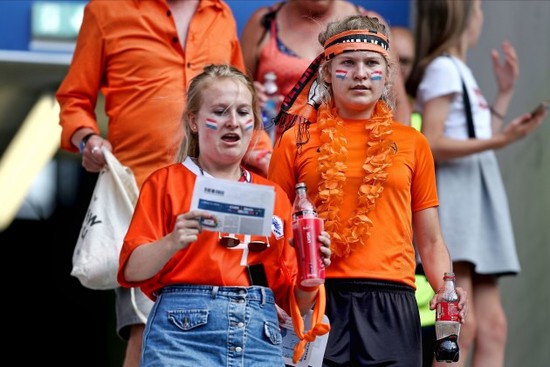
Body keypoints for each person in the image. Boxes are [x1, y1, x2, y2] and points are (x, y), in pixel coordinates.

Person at [56, 1, 272, 366]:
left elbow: (239, 96)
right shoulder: (106, 10)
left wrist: (264, 153)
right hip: (142, 200)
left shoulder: (219, 13)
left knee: (227, 318)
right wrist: (87, 139)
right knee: (145, 330)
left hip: (220, 196)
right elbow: (74, 99)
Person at [267, 14, 467, 366]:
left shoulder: (412, 143)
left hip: (392, 300)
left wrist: (445, 287)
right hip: (317, 296)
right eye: (348, 62)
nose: (360, 73)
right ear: (327, 72)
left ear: (388, 74)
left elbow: (431, 240)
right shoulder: (294, 141)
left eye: (372, 63)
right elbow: (274, 229)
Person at [117, 64, 331, 366]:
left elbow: (292, 300)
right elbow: (130, 272)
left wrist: (313, 273)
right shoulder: (164, 182)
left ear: (254, 123)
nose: (233, 122)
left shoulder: (273, 195)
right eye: (219, 111)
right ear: (194, 121)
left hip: (259, 335)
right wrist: (173, 241)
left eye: (243, 113)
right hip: (182, 333)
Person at [406, 1, 547, 366]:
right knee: (459, 325)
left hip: (476, 201)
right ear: (465, 15)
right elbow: (432, 141)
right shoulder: (444, 69)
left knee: (493, 325)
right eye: (479, 7)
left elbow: (474, 142)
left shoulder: (457, 71)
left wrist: (502, 96)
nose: (482, 15)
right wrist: (502, 140)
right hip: (459, 202)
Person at [240, 0, 411, 141]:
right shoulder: (265, 22)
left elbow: (398, 102)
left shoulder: (370, 24)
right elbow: (233, 91)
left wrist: (397, 154)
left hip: (352, 154)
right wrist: (249, 96)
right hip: (271, 151)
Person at [391, 24, 436, 367]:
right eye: (392, 60)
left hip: (415, 274)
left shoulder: (420, 127)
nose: (399, 69)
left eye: (405, 61)